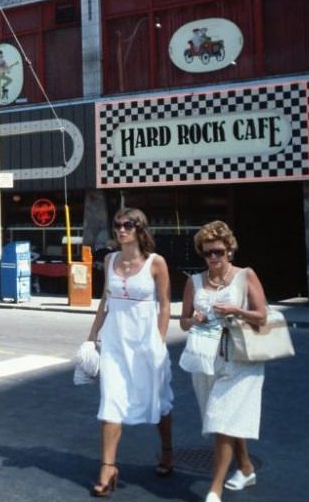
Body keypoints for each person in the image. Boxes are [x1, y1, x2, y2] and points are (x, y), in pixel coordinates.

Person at [85, 207, 173, 497]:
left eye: (128, 225)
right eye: (117, 225)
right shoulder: (110, 259)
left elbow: (164, 304)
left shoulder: (156, 263)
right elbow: (105, 300)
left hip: (146, 342)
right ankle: (107, 467)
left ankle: (167, 450)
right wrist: (92, 336)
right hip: (115, 343)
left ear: (140, 229)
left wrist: (159, 341)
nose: (121, 229)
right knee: (111, 400)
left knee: (158, 399)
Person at [180, 221, 268, 502]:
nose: (213, 258)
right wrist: (193, 319)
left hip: (240, 361)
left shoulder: (245, 276)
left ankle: (214, 489)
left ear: (229, 249)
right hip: (205, 360)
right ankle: (246, 467)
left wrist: (237, 311)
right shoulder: (194, 282)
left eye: (218, 251)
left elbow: (262, 316)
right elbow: (183, 322)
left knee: (221, 420)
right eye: (207, 253)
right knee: (227, 419)